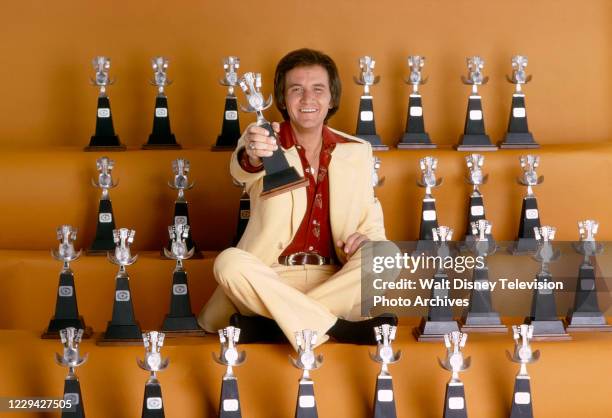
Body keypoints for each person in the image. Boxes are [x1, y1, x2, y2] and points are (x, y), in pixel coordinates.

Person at [198, 48, 396, 349]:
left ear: (332, 98)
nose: (307, 99)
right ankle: (337, 326)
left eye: (318, 89)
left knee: (388, 255)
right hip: (269, 279)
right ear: (282, 99)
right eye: (296, 90)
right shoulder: (264, 141)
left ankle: (275, 325)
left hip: (335, 278)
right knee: (228, 263)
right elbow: (242, 169)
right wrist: (251, 153)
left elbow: (371, 223)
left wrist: (368, 242)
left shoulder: (357, 151)